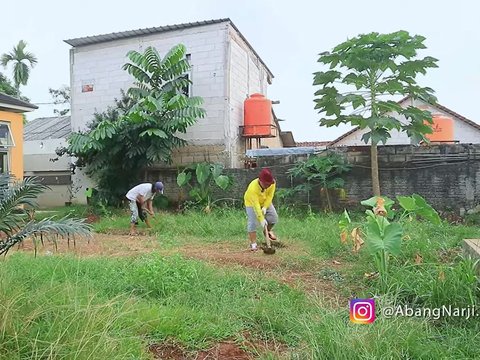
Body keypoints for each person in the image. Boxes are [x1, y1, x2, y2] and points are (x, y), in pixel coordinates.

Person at [243, 168, 278, 251]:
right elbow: (256, 206)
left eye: (269, 184)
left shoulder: (272, 183)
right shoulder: (253, 188)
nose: (268, 186)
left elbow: (270, 196)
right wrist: (262, 219)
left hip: (265, 201)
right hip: (251, 203)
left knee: (273, 218)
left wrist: (265, 207)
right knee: (252, 223)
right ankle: (253, 244)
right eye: (266, 184)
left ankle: (267, 231)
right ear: (260, 181)